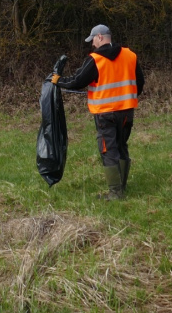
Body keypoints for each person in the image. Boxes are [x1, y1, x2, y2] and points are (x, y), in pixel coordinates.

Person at [52, 24, 145, 200]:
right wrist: (127, 97)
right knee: (121, 146)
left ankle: (115, 194)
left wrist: (59, 81)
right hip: (126, 112)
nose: (92, 44)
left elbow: (78, 81)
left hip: (105, 114)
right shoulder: (130, 55)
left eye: (93, 40)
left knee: (108, 150)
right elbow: (140, 81)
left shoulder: (95, 59)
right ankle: (121, 188)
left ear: (100, 37)